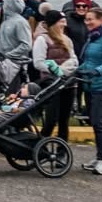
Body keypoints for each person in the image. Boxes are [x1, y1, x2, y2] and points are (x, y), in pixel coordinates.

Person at [31, 8, 79, 142]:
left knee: (64, 120)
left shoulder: (67, 40)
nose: (64, 24)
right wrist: (54, 71)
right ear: (53, 23)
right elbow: (38, 62)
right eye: (61, 21)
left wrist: (63, 70)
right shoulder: (42, 39)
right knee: (51, 120)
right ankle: (39, 145)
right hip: (51, 84)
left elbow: (74, 60)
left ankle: (62, 149)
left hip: (68, 83)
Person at [80, 6, 102, 177]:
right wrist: (77, 70)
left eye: (90, 19)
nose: (87, 22)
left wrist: (98, 71)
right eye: (86, 19)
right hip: (91, 85)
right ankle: (99, 156)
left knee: (100, 123)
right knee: (94, 122)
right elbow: (89, 60)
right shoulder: (94, 37)